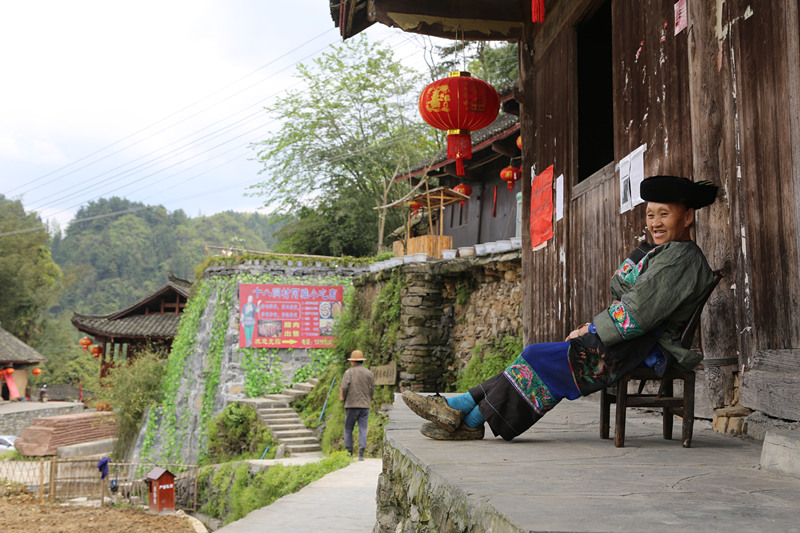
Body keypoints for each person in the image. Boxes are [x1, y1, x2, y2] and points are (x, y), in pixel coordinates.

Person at [403, 175, 719, 441]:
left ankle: (466, 415)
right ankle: (463, 414)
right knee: (537, 356)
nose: (655, 223)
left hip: (643, 346)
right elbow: (621, 287)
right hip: (631, 341)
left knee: (536, 355)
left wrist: (590, 329)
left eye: (664, 214)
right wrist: (644, 253)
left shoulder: (680, 258)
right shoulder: (664, 253)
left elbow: (636, 312)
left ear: (687, 217)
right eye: (650, 215)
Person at [340, 350, 375, 459]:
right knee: (363, 429)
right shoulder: (369, 373)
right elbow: (372, 389)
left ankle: (349, 452)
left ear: (354, 361)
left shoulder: (348, 372)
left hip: (351, 405)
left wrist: (344, 398)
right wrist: (369, 399)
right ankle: (361, 453)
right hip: (365, 405)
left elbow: (344, 387)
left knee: (348, 428)